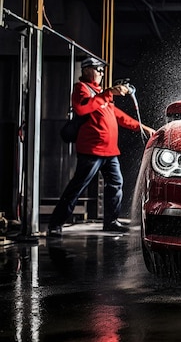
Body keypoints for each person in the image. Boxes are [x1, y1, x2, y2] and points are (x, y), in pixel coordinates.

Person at [47, 57, 156, 236]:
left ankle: (111, 222)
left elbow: (119, 116)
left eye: (102, 71)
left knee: (115, 184)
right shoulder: (81, 89)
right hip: (92, 150)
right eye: (98, 70)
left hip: (110, 151)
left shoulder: (100, 93)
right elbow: (82, 109)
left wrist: (143, 128)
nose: (101, 73)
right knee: (78, 186)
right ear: (86, 70)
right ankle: (55, 225)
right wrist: (108, 93)